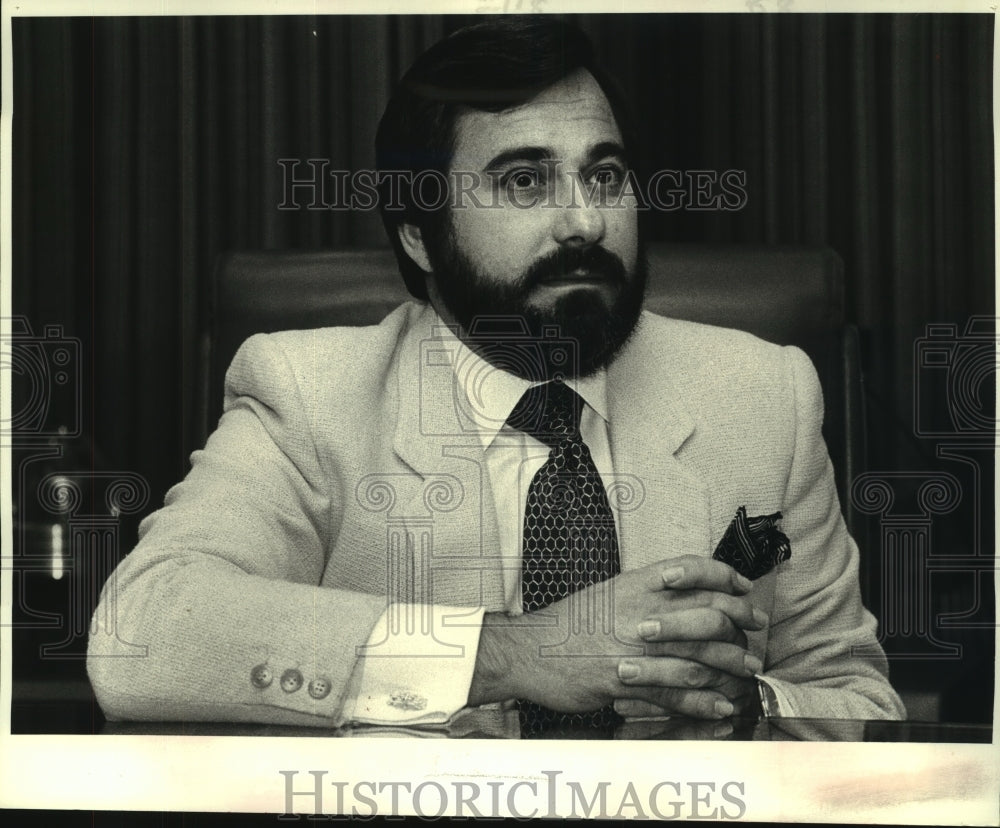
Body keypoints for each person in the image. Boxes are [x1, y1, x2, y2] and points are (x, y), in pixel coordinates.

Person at [87, 17, 905, 732]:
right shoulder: (307, 394)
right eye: (524, 181)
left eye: (606, 175)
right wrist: (514, 656)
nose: (586, 220)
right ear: (418, 236)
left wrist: (746, 710)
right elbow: (143, 633)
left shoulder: (767, 394)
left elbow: (857, 701)